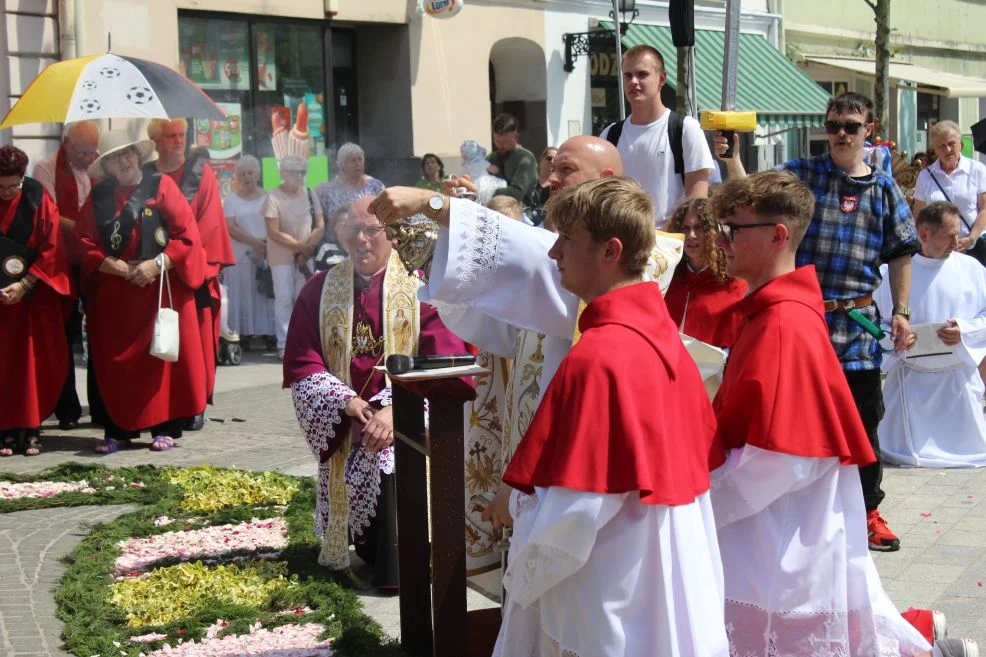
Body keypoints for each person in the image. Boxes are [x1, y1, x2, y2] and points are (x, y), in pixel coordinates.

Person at [497, 177, 727, 657]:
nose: (553, 252)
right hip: (667, 566)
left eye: (567, 239)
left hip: (612, 583)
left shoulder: (599, 355)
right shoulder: (664, 337)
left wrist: (521, 555)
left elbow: (576, 512)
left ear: (610, 251)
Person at [707, 170, 933, 657]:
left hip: (778, 537)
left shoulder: (783, 324)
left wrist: (701, 501)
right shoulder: (774, 311)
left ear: (777, 234)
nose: (720, 242)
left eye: (732, 230)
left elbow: (784, 459)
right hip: (775, 526)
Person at [716, 91, 920, 552]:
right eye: (833, 126)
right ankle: (799, 504)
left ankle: (867, 510)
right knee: (793, 416)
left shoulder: (884, 188)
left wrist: (902, 313)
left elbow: (902, 253)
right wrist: (731, 161)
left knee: (863, 421)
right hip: (802, 316)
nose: (841, 134)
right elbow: (755, 200)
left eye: (851, 125)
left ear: (869, 130)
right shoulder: (802, 174)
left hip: (858, 322)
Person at [283, 195, 471, 590]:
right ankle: (369, 550)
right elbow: (303, 362)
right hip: (348, 417)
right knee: (368, 447)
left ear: (392, 233)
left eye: (372, 229)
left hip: (404, 416)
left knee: (388, 451)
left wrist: (396, 411)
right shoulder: (320, 289)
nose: (362, 239)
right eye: (353, 229)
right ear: (340, 233)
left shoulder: (423, 286)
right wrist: (345, 402)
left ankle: (399, 566)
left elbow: (446, 362)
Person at [77, 131, 207, 454]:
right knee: (115, 365)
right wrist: (120, 268)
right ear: (105, 166)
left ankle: (163, 428)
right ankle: (117, 430)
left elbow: (186, 235)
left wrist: (155, 266)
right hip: (115, 296)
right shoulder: (98, 197)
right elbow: (84, 243)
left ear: (138, 155)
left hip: (156, 289)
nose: (122, 161)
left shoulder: (162, 186)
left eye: (127, 154)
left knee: (158, 359)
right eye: (113, 158)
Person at [876, 201, 986, 468]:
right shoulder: (892, 272)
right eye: (949, 235)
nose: (956, 241)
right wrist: (895, 337)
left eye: (957, 233)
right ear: (923, 235)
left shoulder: (973, 270)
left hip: (957, 379)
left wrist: (964, 331)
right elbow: (875, 321)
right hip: (910, 378)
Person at [146, 118, 234, 430]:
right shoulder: (147, 175)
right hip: (156, 272)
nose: (178, 141)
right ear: (156, 140)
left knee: (195, 344)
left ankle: (195, 404)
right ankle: (165, 406)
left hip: (191, 270)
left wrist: (180, 254)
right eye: (170, 135)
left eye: (181, 135)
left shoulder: (201, 173)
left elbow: (209, 223)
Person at [0, 145, 72, 457]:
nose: (7, 192)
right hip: (0, 299)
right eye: (1, 186)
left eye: (13, 185)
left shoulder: (37, 197)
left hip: (32, 298)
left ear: (23, 177)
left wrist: (25, 284)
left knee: (32, 364)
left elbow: (52, 246)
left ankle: (31, 429)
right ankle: (4, 429)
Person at [32, 120, 100, 430]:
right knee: (63, 334)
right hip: (63, 261)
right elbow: (51, 216)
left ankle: (103, 407)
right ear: (67, 144)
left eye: (93, 152)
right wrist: (86, 229)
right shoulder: (46, 168)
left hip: (94, 260)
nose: (90, 158)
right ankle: (67, 409)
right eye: (84, 152)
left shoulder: (100, 167)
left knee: (103, 333)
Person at [600, 45, 715, 225]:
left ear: (661, 79)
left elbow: (697, 202)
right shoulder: (610, 134)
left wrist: (668, 239)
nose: (634, 82)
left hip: (670, 245)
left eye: (642, 74)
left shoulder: (685, 129)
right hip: (623, 242)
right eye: (628, 76)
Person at [664, 198, 747, 349]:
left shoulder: (734, 286)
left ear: (714, 232)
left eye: (699, 228)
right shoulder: (667, 281)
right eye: (685, 228)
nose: (691, 235)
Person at [264, 155, 324, 359]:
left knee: (304, 298)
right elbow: (273, 231)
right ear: (283, 174)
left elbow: (320, 225)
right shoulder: (273, 196)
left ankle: (304, 343)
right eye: (294, 172)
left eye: (302, 172)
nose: (299, 176)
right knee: (284, 298)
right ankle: (284, 344)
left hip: (306, 253)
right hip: (282, 255)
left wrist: (307, 248)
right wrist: (301, 247)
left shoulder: (309, 193)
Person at [913, 120, 986, 264]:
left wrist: (972, 238)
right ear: (934, 149)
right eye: (942, 146)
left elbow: (984, 209)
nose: (947, 150)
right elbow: (919, 216)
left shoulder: (977, 170)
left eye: (952, 143)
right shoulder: (925, 176)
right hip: (938, 251)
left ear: (960, 144)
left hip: (973, 247)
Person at [223, 155, 275, 341]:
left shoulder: (269, 197)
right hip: (239, 256)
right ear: (237, 176)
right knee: (242, 294)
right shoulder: (230, 200)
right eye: (243, 173)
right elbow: (230, 228)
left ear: (258, 174)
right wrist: (255, 243)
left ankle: (267, 333)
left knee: (262, 293)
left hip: (265, 253)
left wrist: (262, 247)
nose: (247, 177)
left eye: (251, 172)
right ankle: (242, 333)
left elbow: (274, 224)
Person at [314, 142, 385, 222]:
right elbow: (320, 223)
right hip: (336, 234)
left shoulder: (375, 187)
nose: (358, 164)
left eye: (360, 159)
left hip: (369, 233)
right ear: (341, 164)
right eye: (353, 160)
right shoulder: (326, 192)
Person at [486, 113, 539, 207]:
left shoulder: (525, 159)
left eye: (505, 142)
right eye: (497, 141)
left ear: (516, 137)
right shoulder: (492, 158)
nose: (500, 146)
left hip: (520, 214)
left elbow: (517, 193)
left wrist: (487, 190)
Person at [458, 139, 507, 205]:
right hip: (484, 183)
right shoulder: (481, 161)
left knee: (477, 201)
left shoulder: (466, 165)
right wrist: (498, 169)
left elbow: (461, 175)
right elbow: (494, 170)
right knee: (491, 194)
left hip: (472, 184)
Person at [527, 146, 557, 226]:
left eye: (556, 160)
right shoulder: (529, 185)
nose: (552, 162)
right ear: (541, 159)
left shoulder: (558, 187)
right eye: (549, 158)